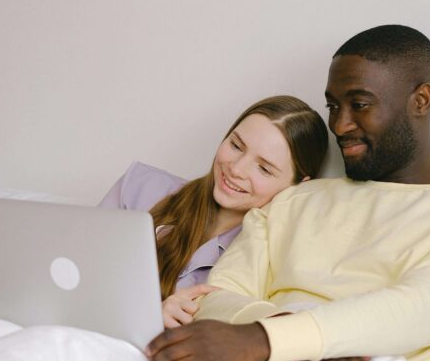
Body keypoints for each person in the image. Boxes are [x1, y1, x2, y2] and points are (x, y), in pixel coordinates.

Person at [146, 24, 430, 361]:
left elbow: (416, 310)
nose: (340, 125)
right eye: (333, 106)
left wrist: (261, 340)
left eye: (359, 105)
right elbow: (215, 298)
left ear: (420, 100)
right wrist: (306, 352)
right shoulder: (293, 201)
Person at [99, 96, 328, 328]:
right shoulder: (138, 187)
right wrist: (145, 314)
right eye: (236, 145)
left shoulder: (265, 265)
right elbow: (75, 282)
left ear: (296, 186)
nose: (236, 168)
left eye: (264, 168)